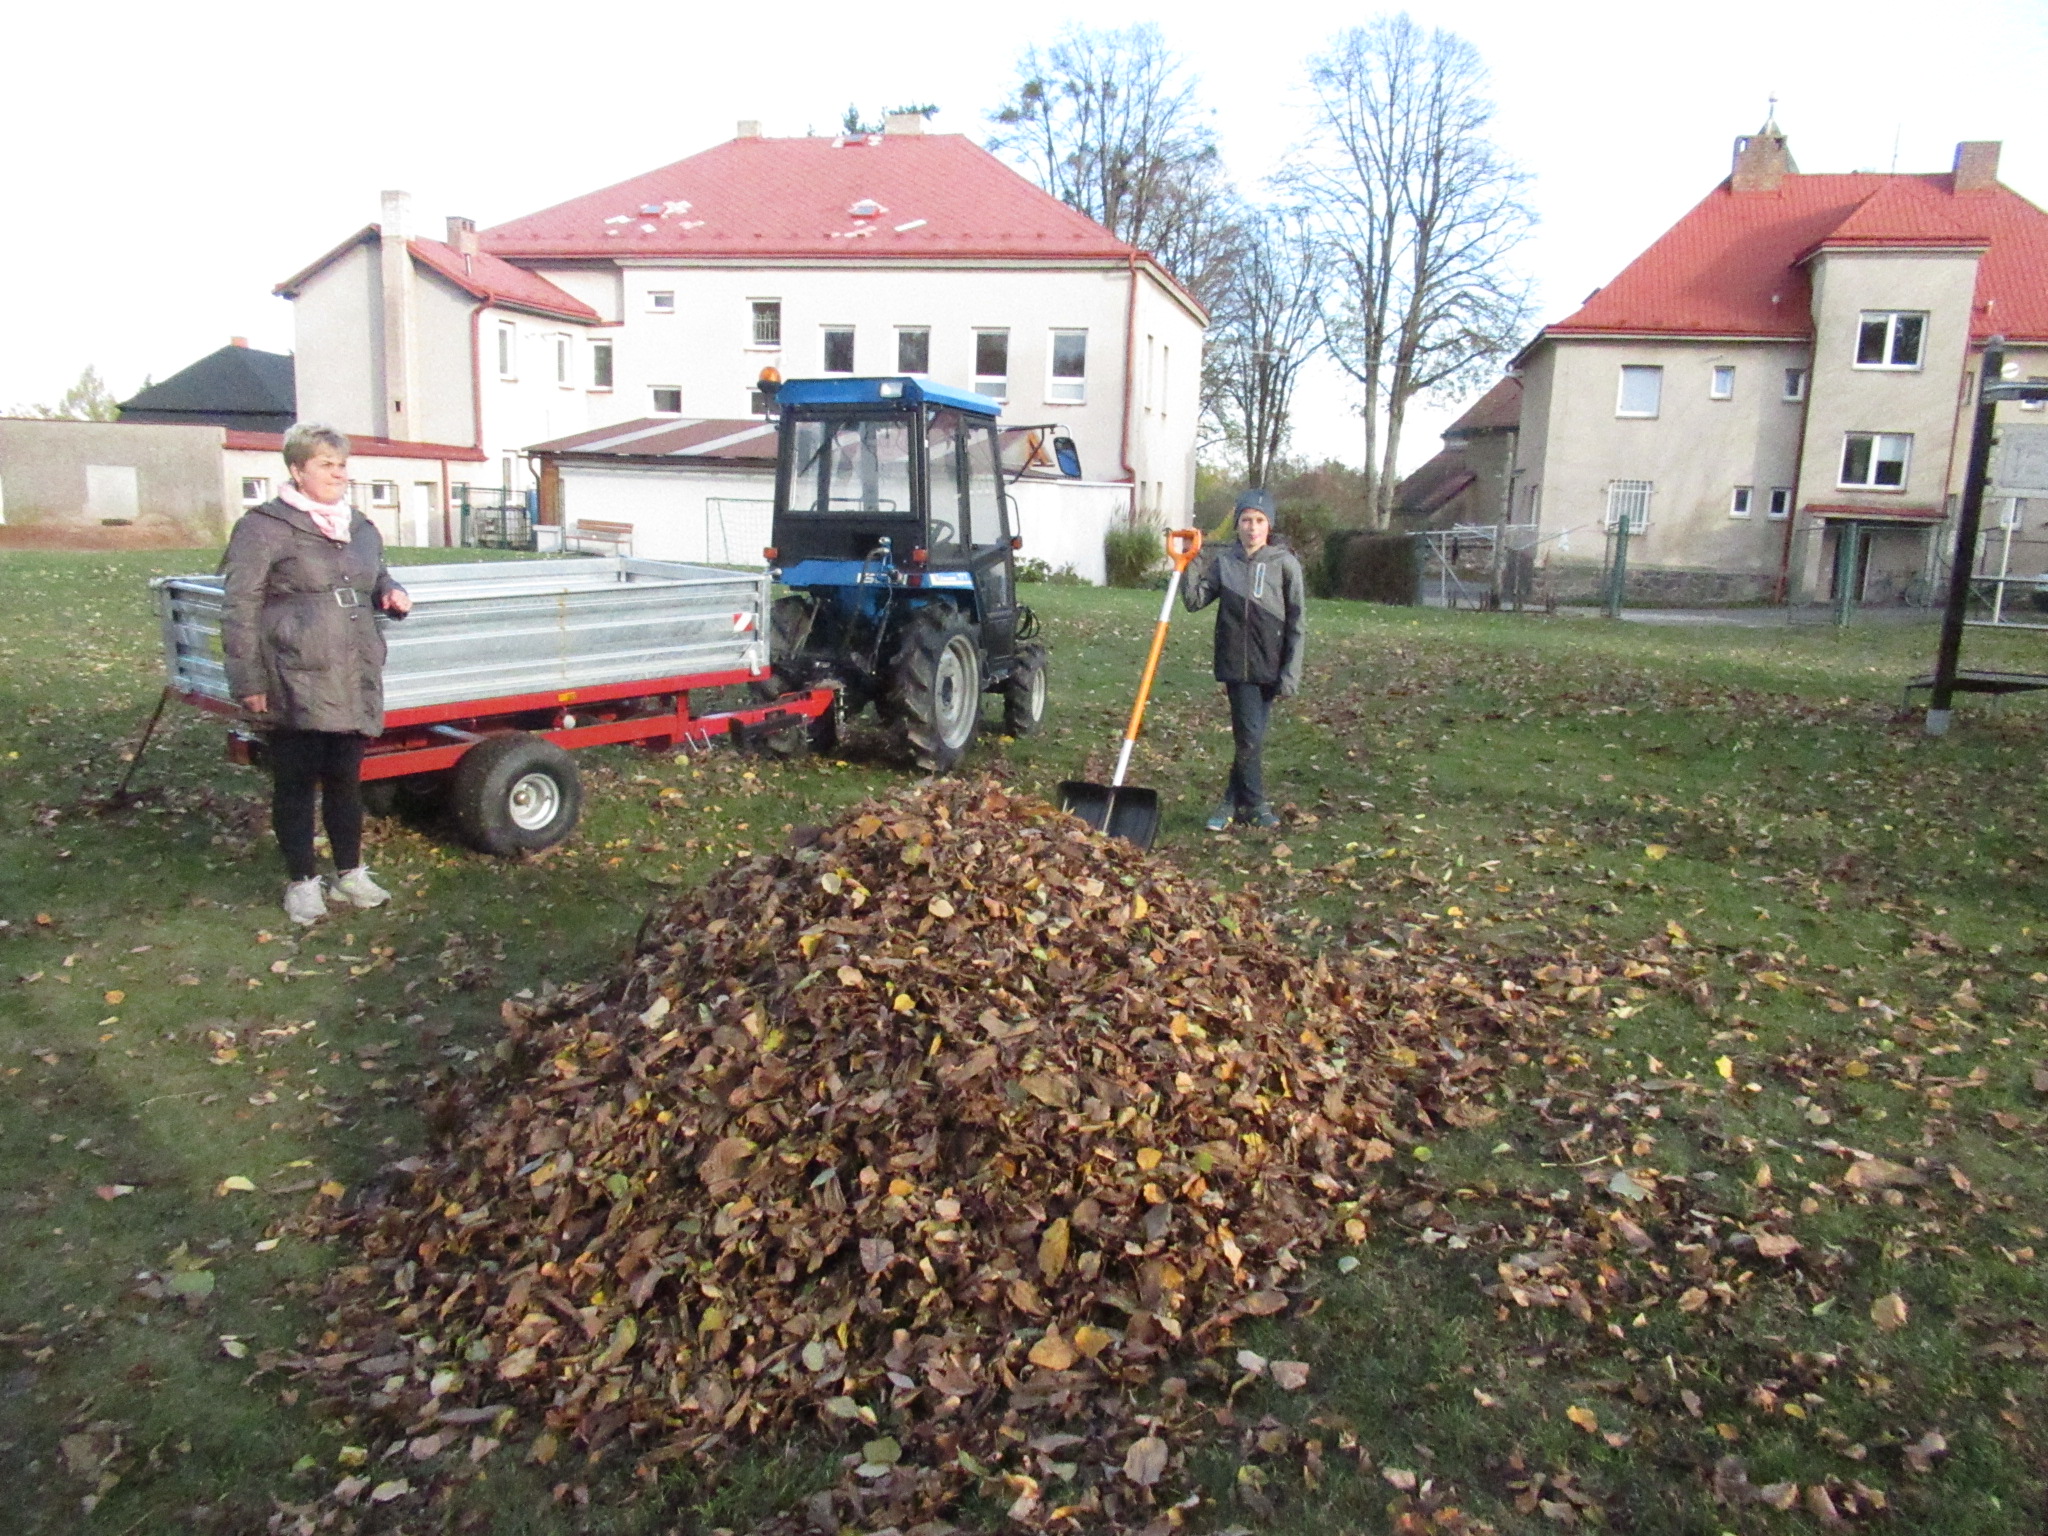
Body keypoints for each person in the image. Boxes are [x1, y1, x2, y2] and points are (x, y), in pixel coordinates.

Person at [220, 423, 412, 925]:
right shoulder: (264, 527)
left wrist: (389, 591)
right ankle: (302, 881)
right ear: (297, 469)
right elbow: (239, 607)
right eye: (326, 465)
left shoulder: (359, 526)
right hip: (293, 673)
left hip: (352, 670)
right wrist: (249, 681)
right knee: (296, 782)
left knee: (346, 780)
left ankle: (350, 872)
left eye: (342, 465)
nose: (338, 474)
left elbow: (375, 573)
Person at [1181, 488, 1305, 832]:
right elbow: (1194, 601)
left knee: (1251, 739)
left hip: (1271, 664)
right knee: (1249, 737)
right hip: (1236, 664)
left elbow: (1297, 622)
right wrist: (1189, 561)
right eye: (1246, 520)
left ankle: (1229, 803)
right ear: (1237, 524)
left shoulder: (1285, 564)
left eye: (1259, 520)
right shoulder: (1225, 563)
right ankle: (1257, 806)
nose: (1252, 527)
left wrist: (1290, 673)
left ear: (1269, 525)